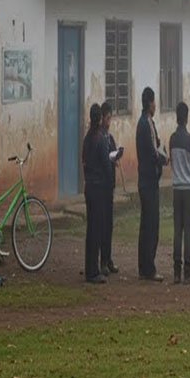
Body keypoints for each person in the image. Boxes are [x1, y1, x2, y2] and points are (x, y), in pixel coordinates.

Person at [136, 86, 167, 281]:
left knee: (147, 224)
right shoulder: (145, 125)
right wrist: (164, 159)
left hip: (148, 180)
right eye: (154, 102)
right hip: (148, 181)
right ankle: (148, 267)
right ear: (150, 103)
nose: (155, 105)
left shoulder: (148, 123)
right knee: (150, 225)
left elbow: (155, 145)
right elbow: (152, 152)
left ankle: (145, 266)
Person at [169, 100, 190, 284]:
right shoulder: (189, 139)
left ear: (176, 117)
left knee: (177, 230)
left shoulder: (172, 139)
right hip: (188, 188)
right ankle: (188, 271)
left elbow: (172, 160)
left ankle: (176, 272)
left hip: (176, 188)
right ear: (186, 118)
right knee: (188, 230)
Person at [82, 102, 111, 284]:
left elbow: (84, 161)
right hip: (99, 188)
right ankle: (93, 271)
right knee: (96, 230)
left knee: (90, 229)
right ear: (100, 119)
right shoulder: (100, 139)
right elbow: (106, 165)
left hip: (89, 187)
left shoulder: (87, 138)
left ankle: (90, 268)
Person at [100, 101, 121, 275]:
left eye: (110, 118)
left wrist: (116, 157)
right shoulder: (99, 138)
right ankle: (103, 261)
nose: (109, 121)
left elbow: (113, 154)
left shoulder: (109, 138)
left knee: (109, 225)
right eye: (107, 118)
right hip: (102, 186)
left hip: (110, 186)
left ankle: (108, 258)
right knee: (103, 225)